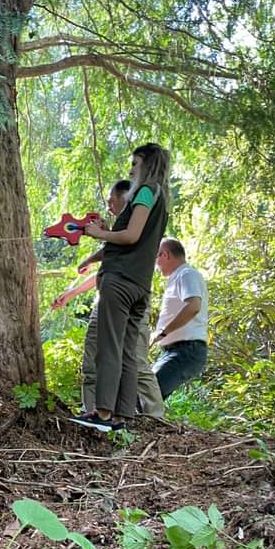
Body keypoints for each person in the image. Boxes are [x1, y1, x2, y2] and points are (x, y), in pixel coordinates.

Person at [70, 142, 171, 432]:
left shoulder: (145, 191)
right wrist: (96, 252)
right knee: (127, 350)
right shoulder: (160, 198)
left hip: (120, 281)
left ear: (147, 165)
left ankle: (101, 413)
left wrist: (97, 232)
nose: (131, 170)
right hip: (140, 284)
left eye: (135, 164)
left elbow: (130, 236)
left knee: (108, 348)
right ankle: (123, 415)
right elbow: (137, 238)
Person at [51, 181, 165, 418]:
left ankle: (153, 416)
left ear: (127, 198)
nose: (109, 205)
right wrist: (89, 262)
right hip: (107, 300)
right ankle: (98, 411)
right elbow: (106, 268)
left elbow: (121, 269)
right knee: (96, 357)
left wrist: (102, 235)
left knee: (132, 358)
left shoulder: (139, 231)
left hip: (128, 298)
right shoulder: (118, 232)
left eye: (112, 200)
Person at [150, 237, 208, 398]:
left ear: (165, 255)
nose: (156, 265)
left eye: (156, 258)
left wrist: (163, 332)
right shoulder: (178, 277)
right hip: (176, 350)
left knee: (147, 393)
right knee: (146, 394)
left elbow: (193, 306)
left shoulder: (186, 274)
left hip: (186, 350)